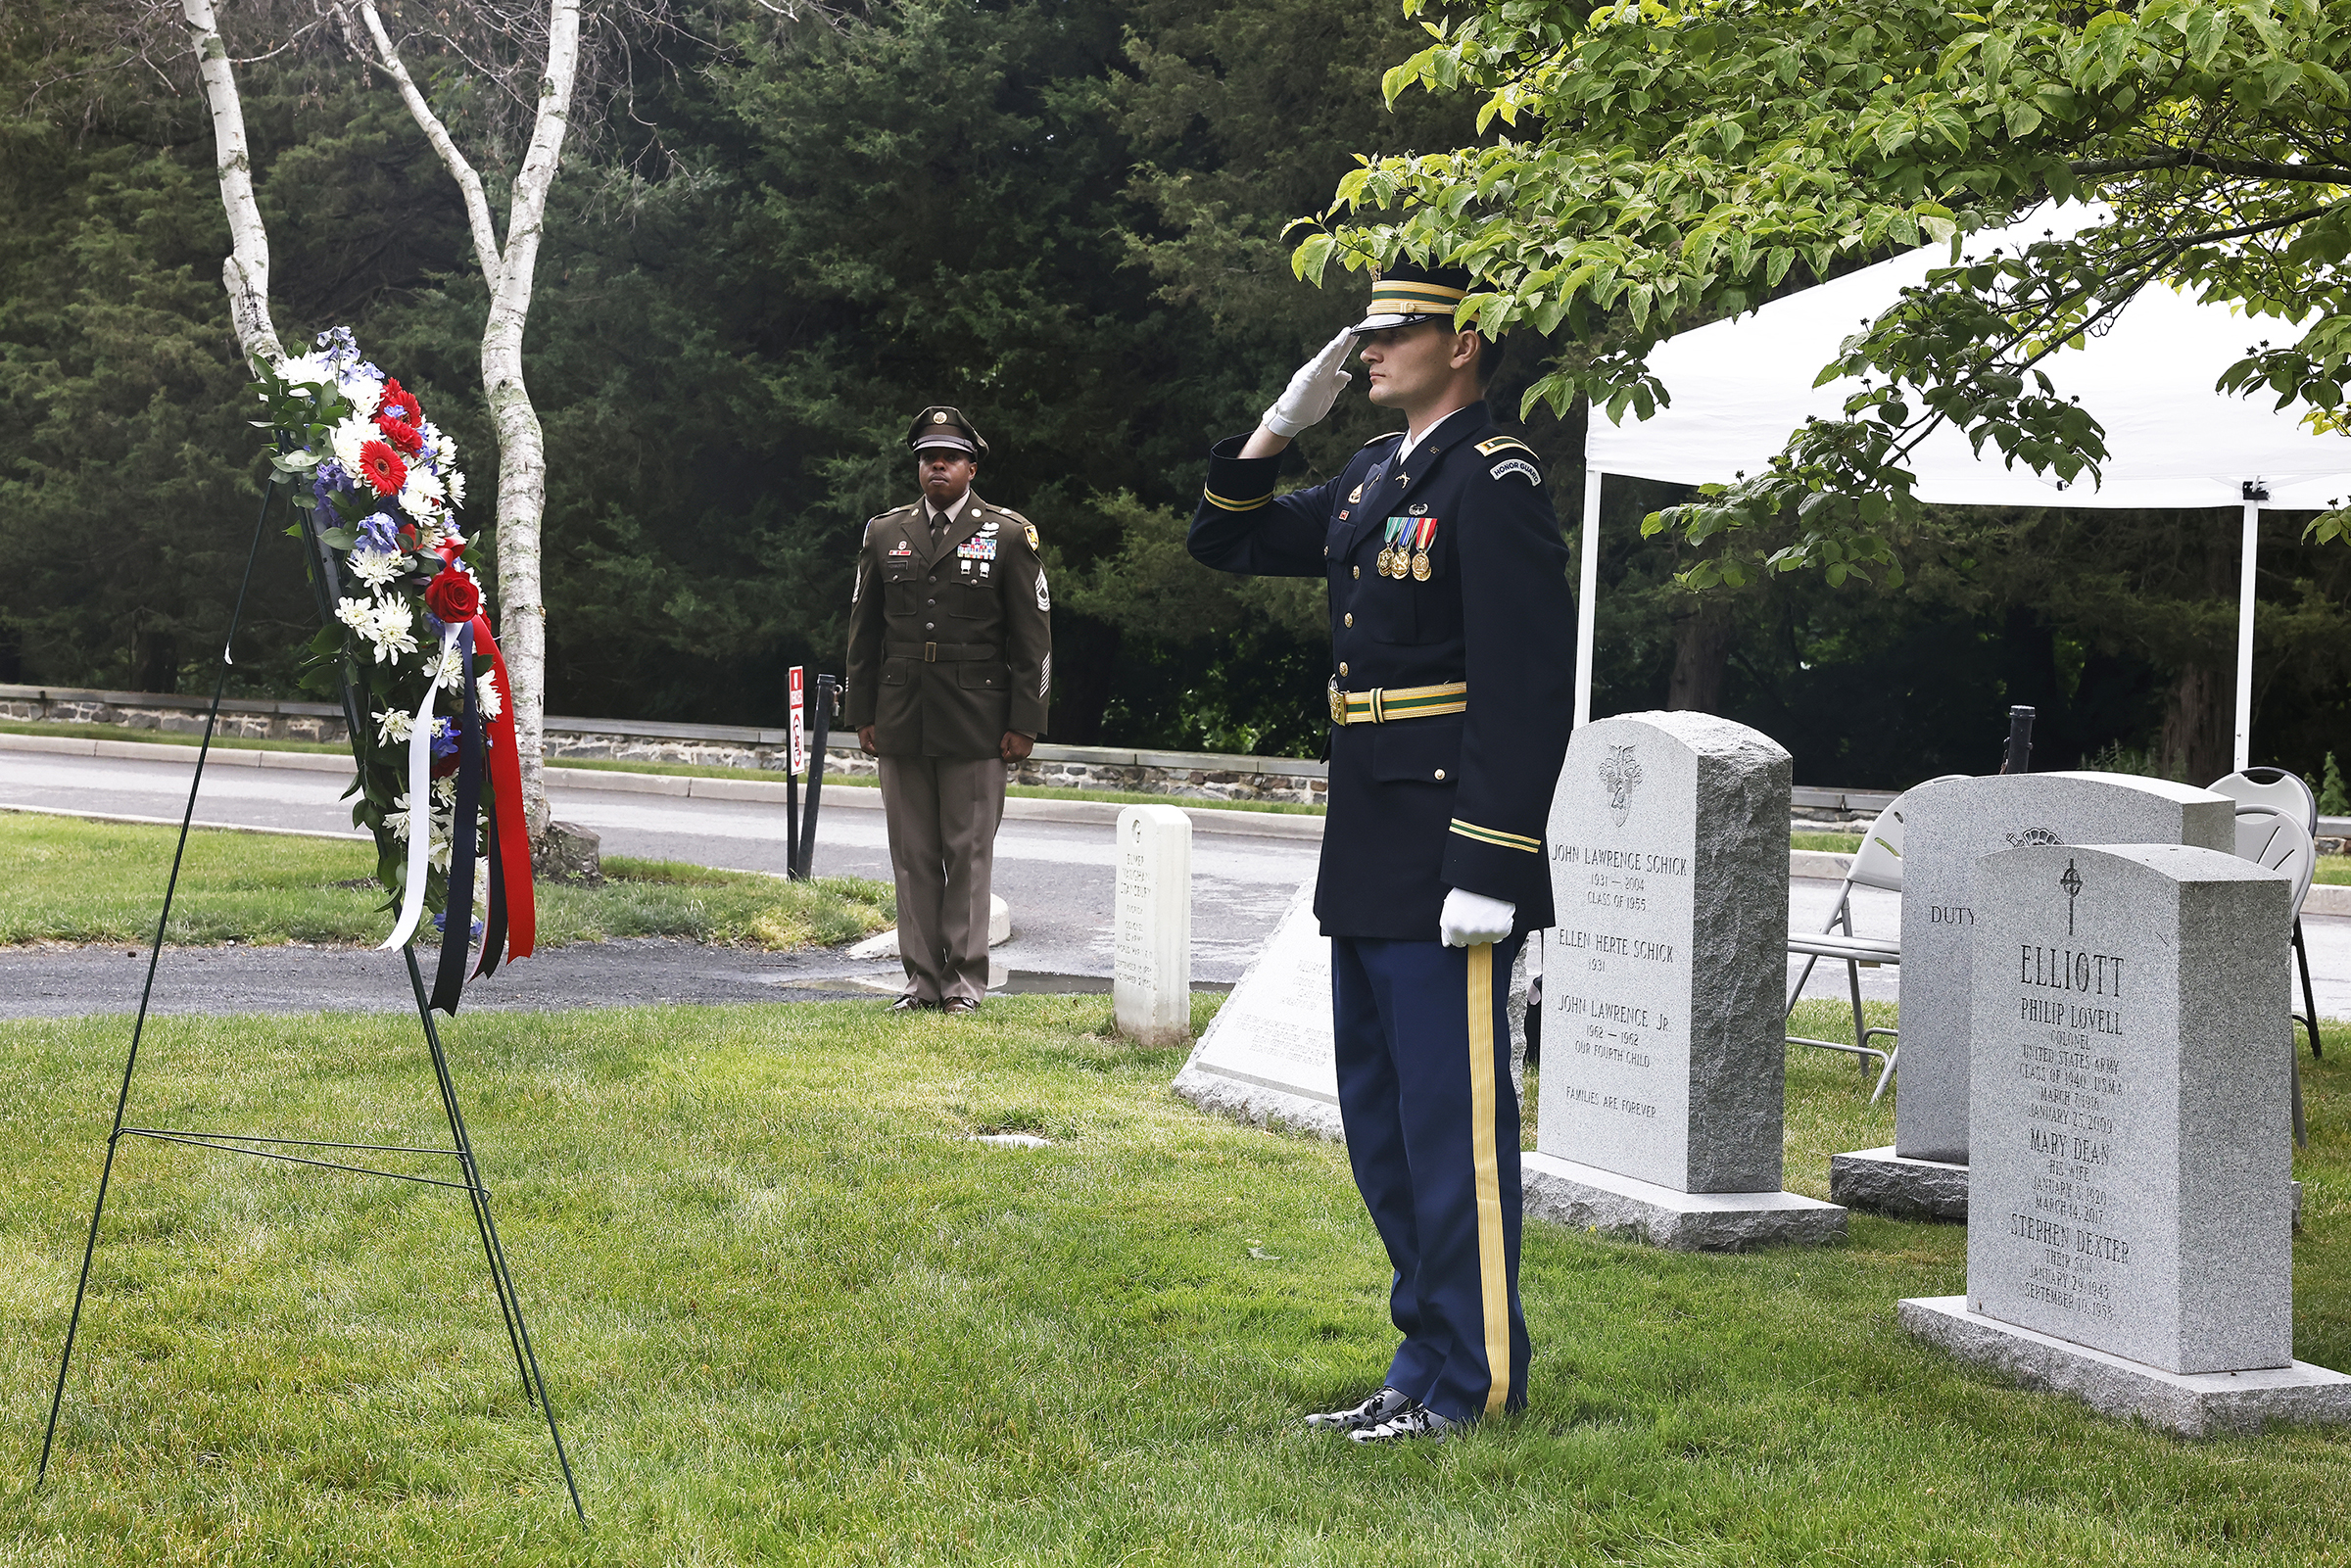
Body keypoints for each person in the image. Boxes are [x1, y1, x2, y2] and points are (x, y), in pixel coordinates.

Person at [1187, 262, 1575, 1442]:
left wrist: (1493, 859)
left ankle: (1478, 1378)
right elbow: (1225, 540)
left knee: (1453, 1129)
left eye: (1392, 332)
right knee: (1383, 1121)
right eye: (1364, 336)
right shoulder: (1372, 476)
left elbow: (1524, 683)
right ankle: (1422, 1359)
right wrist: (1275, 426)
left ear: (1463, 345)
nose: (1368, 351)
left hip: (1449, 843)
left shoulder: (1492, 479)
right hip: (1368, 837)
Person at [844, 405, 1051, 1013]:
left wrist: (1025, 722)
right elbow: (864, 634)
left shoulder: (1008, 535)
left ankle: (963, 982)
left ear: (971, 466)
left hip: (977, 719)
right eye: (928, 456)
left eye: (950, 456)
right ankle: (920, 982)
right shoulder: (884, 533)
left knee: (967, 852)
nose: (938, 464)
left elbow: (1032, 639)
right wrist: (863, 713)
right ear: (917, 467)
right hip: (902, 715)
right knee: (911, 856)